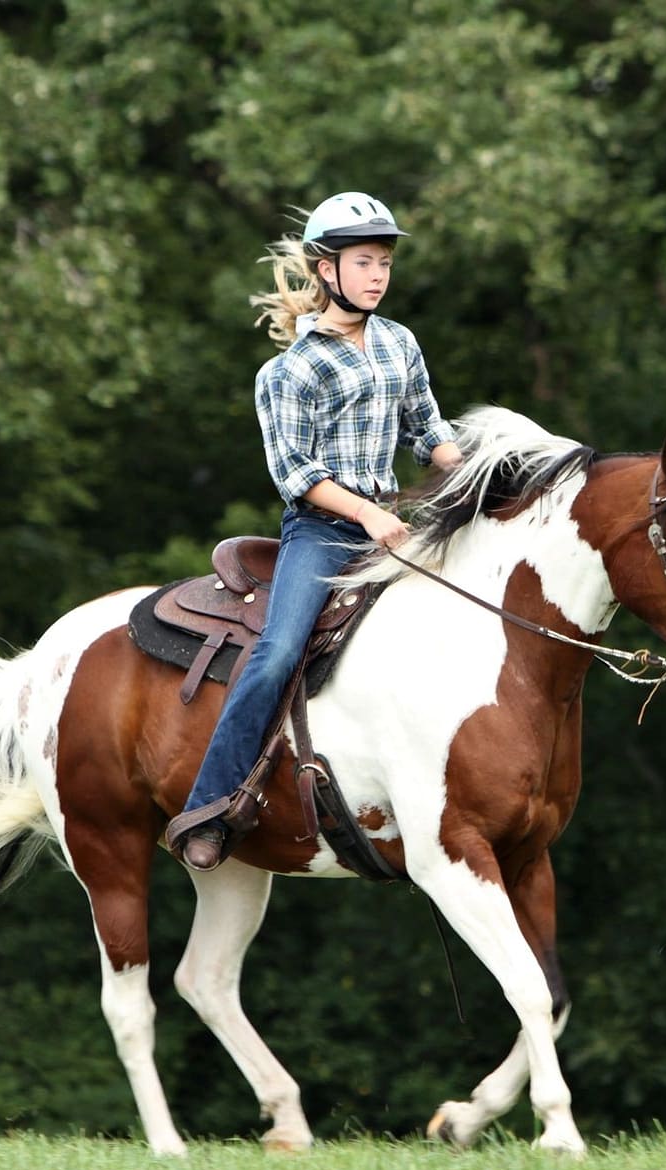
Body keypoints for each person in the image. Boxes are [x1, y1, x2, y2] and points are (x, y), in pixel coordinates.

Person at [164, 192, 464, 871]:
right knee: (276, 654)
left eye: (384, 262)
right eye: (364, 262)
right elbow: (295, 474)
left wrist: (480, 474)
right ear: (327, 271)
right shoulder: (289, 371)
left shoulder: (400, 342)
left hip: (394, 528)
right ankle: (213, 805)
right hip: (325, 534)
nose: (378, 275)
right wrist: (367, 513)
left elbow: (430, 431)